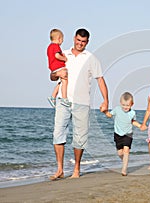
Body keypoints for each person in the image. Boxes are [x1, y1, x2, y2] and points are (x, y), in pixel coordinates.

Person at [50, 28, 109, 180]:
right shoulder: (63, 54)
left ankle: (76, 169)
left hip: (82, 102)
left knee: (80, 138)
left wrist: (105, 100)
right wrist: (57, 74)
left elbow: (100, 79)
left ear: (87, 42)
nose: (80, 43)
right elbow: (52, 75)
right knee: (58, 134)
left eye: (83, 42)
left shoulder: (91, 58)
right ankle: (60, 170)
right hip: (63, 101)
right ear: (74, 39)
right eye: (78, 40)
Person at [104, 92, 142, 176]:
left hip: (128, 134)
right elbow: (109, 115)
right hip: (118, 134)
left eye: (128, 105)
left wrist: (140, 125)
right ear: (120, 103)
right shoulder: (117, 109)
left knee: (126, 150)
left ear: (132, 104)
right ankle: (124, 160)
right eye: (124, 105)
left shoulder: (132, 113)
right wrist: (105, 111)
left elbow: (133, 121)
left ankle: (124, 169)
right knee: (120, 153)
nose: (125, 107)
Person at [47, 29, 71, 107]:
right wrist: (64, 59)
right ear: (59, 38)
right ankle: (64, 98)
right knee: (65, 81)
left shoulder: (49, 47)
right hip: (58, 66)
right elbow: (57, 56)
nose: (62, 42)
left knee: (61, 82)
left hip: (53, 67)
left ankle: (53, 96)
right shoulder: (55, 46)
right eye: (62, 40)